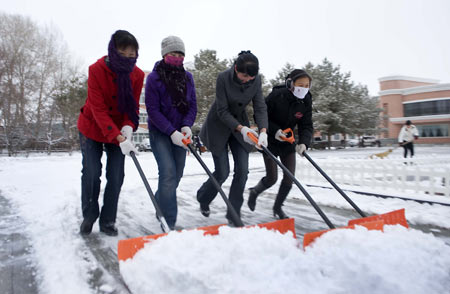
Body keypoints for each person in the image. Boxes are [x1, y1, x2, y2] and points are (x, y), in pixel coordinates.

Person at [77, 30, 144, 236]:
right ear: (113, 51)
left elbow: (131, 107)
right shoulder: (96, 70)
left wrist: (127, 127)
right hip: (92, 127)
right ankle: (89, 215)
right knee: (92, 172)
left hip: (118, 131)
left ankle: (108, 221)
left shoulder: (137, 74)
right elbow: (98, 109)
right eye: (123, 54)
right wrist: (118, 136)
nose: (128, 59)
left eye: (132, 55)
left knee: (116, 176)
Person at [196, 51, 268, 224]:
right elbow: (221, 110)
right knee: (222, 172)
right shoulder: (223, 78)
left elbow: (259, 106)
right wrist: (241, 129)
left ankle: (234, 214)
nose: (247, 80)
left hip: (240, 127)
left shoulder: (255, 80)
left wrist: (264, 131)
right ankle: (203, 198)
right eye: (244, 76)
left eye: (251, 77)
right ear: (236, 68)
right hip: (219, 125)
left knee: (242, 171)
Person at [145, 36, 197, 230]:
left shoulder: (188, 78)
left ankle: (160, 201)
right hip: (160, 132)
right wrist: (171, 131)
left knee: (177, 173)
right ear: (164, 54)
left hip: (180, 132)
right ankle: (168, 221)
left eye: (180, 54)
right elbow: (152, 110)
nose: (177, 57)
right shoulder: (154, 78)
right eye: (173, 54)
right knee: (167, 172)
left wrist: (186, 126)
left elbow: (192, 105)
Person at [248, 69, 313, 219]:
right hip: (269, 139)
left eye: (307, 85)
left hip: (287, 141)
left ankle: (277, 208)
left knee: (289, 177)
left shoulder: (306, 99)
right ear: (290, 83)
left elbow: (306, 124)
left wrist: (304, 143)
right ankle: (254, 192)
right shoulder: (277, 95)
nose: (303, 88)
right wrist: (275, 131)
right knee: (272, 178)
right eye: (300, 84)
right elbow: (260, 115)